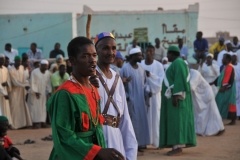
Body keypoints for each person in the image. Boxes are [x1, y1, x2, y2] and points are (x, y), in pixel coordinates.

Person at [47, 36, 125, 160]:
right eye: (85, 56)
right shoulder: (65, 93)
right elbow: (64, 136)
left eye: (94, 55)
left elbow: (97, 128)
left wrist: (100, 151)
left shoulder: (93, 89)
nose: (92, 60)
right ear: (72, 61)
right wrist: (96, 152)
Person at [91, 32, 137, 159]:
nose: (110, 52)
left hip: (116, 138)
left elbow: (125, 118)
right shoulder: (89, 76)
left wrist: (130, 152)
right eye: (105, 48)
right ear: (96, 51)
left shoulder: (117, 78)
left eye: (113, 48)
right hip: (96, 138)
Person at [160, 46, 196, 156]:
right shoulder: (176, 63)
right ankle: (175, 146)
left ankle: (178, 148)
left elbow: (180, 79)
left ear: (172, 54)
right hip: (173, 99)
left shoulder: (179, 63)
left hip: (177, 100)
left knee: (178, 122)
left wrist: (176, 96)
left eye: (168, 54)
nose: (167, 56)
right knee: (174, 122)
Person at [120, 47, 150, 152]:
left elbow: (145, 84)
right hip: (131, 101)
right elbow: (120, 86)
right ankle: (133, 145)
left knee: (142, 121)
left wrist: (148, 92)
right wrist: (127, 97)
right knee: (133, 123)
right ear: (133, 56)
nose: (141, 57)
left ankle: (141, 143)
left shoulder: (142, 69)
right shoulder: (125, 69)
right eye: (139, 55)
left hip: (141, 101)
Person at [140, 45, 164, 147]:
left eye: (151, 51)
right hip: (143, 96)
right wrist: (146, 90)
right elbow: (140, 81)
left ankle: (156, 142)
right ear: (145, 52)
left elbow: (160, 82)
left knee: (156, 118)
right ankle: (145, 141)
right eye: (147, 51)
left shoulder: (158, 66)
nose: (149, 53)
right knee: (144, 118)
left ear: (154, 52)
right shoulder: (140, 65)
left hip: (155, 96)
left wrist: (150, 76)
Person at [189, 69, 225, 136]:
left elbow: (191, 86)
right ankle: (200, 130)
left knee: (213, 111)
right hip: (199, 95)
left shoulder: (195, 73)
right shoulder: (187, 74)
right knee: (200, 113)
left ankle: (221, 128)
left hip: (206, 94)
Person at [8, 56, 32, 129]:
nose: (19, 63)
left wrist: (27, 84)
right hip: (14, 91)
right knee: (14, 107)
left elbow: (23, 79)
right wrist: (25, 85)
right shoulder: (11, 70)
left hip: (21, 91)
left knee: (21, 107)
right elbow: (14, 82)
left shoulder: (21, 68)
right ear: (15, 61)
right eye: (18, 61)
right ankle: (14, 125)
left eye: (20, 61)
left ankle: (21, 124)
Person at [28, 60, 52, 129]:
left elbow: (48, 83)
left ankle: (42, 122)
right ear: (41, 65)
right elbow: (32, 82)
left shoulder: (48, 73)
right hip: (35, 93)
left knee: (43, 107)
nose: (46, 67)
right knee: (35, 108)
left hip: (43, 93)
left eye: (47, 66)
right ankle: (35, 122)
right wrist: (35, 91)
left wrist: (49, 90)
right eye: (44, 66)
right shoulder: (34, 72)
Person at [216, 53, 236, 125]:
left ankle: (231, 119)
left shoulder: (229, 67)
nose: (222, 59)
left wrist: (224, 87)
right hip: (225, 88)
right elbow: (221, 77)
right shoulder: (226, 66)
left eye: (223, 58)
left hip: (227, 89)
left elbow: (227, 78)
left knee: (228, 102)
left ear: (227, 59)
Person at [0, 54, 13, 126]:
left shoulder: (5, 69)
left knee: (6, 108)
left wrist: (7, 83)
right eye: (1, 59)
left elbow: (8, 79)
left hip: (4, 91)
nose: (3, 61)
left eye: (3, 60)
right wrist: (4, 93)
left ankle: (6, 123)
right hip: (2, 92)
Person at [231, 53, 240, 119]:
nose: (234, 58)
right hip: (234, 83)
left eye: (235, 57)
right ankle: (236, 114)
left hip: (239, 82)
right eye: (233, 57)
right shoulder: (230, 66)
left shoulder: (239, 65)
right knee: (235, 98)